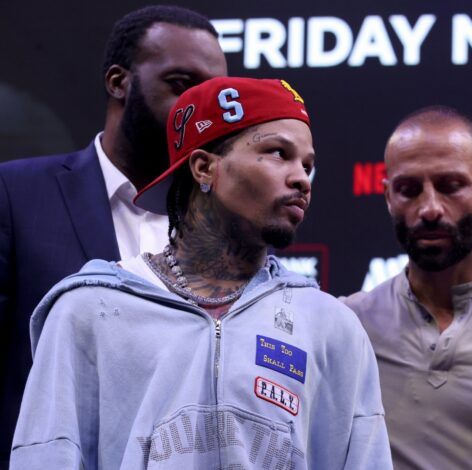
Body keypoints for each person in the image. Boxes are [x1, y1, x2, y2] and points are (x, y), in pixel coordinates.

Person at [11, 77, 392, 469]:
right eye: (278, 152)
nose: (301, 179)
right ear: (204, 167)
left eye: (307, 165)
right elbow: (44, 457)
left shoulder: (329, 326)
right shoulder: (91, 310)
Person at [0, 5, 227, 463]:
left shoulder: (228, 226)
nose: (198, 110)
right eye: (182, 86)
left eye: (212, 95)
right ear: (118, 82)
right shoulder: (16, 194)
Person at [343, 106, 472, 469]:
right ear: (387, 197)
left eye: (451, 186)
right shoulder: (349, 325)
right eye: (408, 190)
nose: (429, 208)